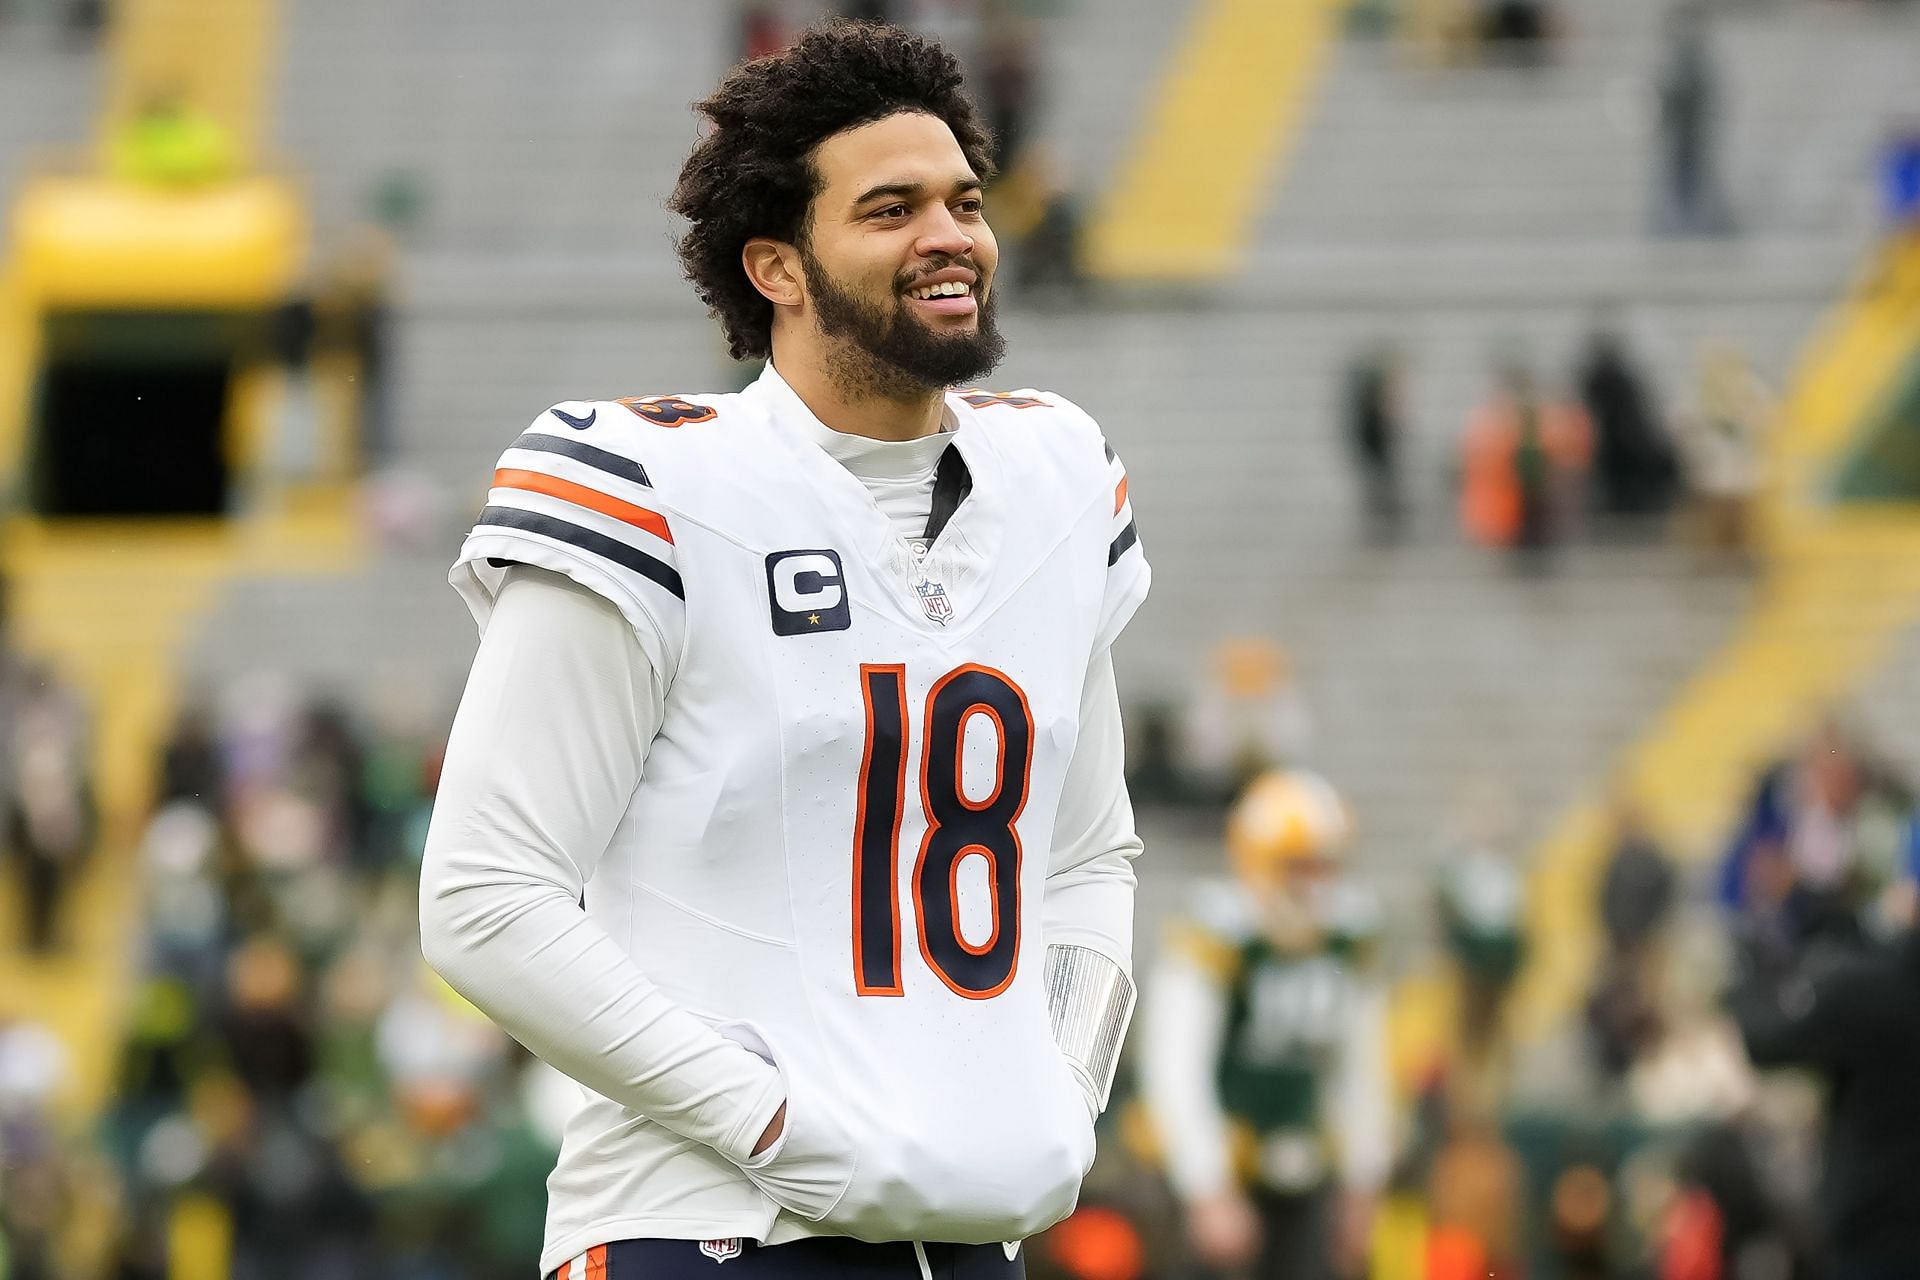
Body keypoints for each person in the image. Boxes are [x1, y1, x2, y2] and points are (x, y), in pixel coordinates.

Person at [420, 22, 1150, 1280]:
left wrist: (1054, 1084)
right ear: (778, 266)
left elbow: (1089, 853)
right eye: (891, 207)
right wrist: (774, 1124)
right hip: (704, 1227)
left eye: (964, 201)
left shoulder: (1058, 475)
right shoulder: (652, 481)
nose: (950, 235)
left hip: (969, 1237)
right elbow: (485, 897)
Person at [1141, 771, 1392, 1280]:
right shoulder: (1215, 938)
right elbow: (1175, 1071)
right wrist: (1207, 1185)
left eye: (1325, 866)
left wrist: (1362, 1180)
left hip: (1302, 1172)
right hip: (1220, 1176)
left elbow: (1364, 1070)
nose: (1315, 883)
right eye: (1300, 866)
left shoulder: (1346, 939)